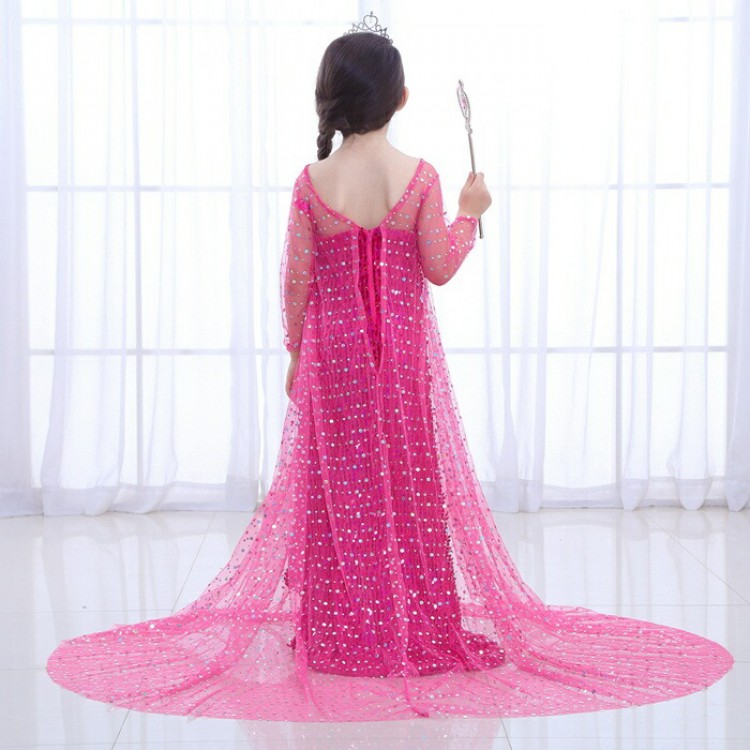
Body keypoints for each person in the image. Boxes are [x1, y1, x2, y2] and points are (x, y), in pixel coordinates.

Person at [46, 14, 732, 722]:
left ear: (331, 99)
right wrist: (470, 214)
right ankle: (415, 619)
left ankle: (343, 629)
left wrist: (294, 352)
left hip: (335, 356)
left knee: (339, 487)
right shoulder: (420, 177)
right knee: (409, 478)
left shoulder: (313, 182)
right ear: (400, 98)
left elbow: (296, 282)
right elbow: (439, 266)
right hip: (400, 358)